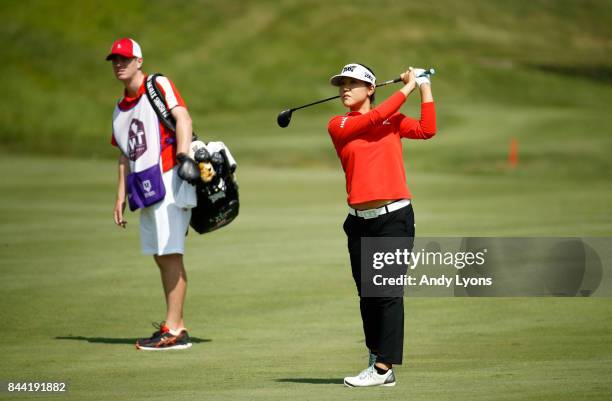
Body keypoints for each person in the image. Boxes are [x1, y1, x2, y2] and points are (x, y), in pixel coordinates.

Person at [327, 63, 436, 386]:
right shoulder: (339, 124)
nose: (345, 89)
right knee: (368, 296)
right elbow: (374, 118)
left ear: (371, 89)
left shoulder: (393, 120)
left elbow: (427, 129)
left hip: (394, 219)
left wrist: (424, 86)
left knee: (387, 293)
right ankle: (377, 359)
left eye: (353, 83)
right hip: (359, 224)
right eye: (342, 84)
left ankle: (383, 368)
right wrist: (408, 86)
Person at [107, 38, 201, 350]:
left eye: (124, 59)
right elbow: (125, 154)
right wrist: (120, 195)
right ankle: (173, 325)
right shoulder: (119, 111)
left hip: (171, 176)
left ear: (138, 61)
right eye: (114, 60)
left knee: (170, 252)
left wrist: (185, 158)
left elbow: (183, 118)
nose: (119, 64)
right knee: (161, 254)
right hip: (143, 187)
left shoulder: (157, 84)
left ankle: (175, 329)